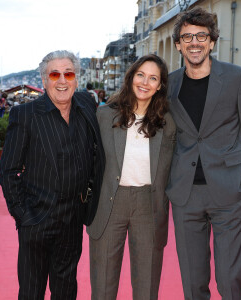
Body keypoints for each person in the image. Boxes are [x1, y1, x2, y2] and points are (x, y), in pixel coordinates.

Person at [166, 7, 241, 300]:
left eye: (201, 36)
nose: (194, 42)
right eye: (187, 37)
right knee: (193, 282)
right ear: (178, 44)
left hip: (229, 193)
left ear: (212, 42)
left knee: (229, 279)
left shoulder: (237, 79)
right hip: (185, 194)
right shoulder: (169, 85)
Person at [0, 50, 105, 300]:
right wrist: (23, 215)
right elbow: (8, 170)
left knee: (66, 290)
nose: (62, 80)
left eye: (69, 73)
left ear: (77, 79)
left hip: (73, 219)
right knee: (31, 291)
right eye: (54, 74)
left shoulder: (87, 105)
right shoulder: (25, 116)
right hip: (37, 219)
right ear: (44, 80)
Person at [87, 54, 176, 300]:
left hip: (149, 205)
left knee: (146, 287)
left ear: (160, 85)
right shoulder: (105, 115)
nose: (145, 82)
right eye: (141, 75)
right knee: (103, 286)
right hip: (109, 202)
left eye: (153, 78)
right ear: (131, 77)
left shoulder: (168, 122)